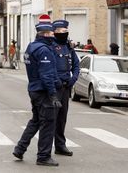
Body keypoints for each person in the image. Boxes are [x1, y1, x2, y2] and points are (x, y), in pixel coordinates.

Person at [13, 21, 62, 167]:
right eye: (52, 33)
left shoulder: (31, 47)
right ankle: (43, 156)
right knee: (48, 123)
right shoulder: (44, 50)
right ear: (46, 34)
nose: (54, 36)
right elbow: (46, 75)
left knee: (35, 121)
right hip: (43, 92)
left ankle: (20, 148)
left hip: (34, 89)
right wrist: (53, 94)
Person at [52, 20, 80, 157]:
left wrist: (73, 79)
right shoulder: (51, 46)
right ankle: (45, 148)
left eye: (66, 31)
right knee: (51, 118)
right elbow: (50, 67)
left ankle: (60, 145)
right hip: (55, 87)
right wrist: (57, 81)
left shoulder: (69, 47)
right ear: (55, 31)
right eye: (62, 31)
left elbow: (76, 65)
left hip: (66, 87)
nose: (65, 33)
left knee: (62, 118)